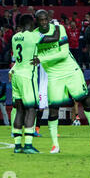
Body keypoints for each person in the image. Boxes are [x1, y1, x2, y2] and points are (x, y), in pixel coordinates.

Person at [31, 10, 90, 153]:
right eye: (40, 20)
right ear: (37, 21)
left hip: (71, 71)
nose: (43, 22)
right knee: (53, 108)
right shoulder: (34, 35)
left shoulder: (59, 28)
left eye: (45, 19)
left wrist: (42, 59)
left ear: (48, 18)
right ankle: (55, 145)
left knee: (86, 101)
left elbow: (64, 53)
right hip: (53, 76)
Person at [10, 14, 60, 154]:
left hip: (16, 75)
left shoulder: (15, 37)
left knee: (19, 109)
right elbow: (55, 38)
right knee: (31, 109)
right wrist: (56, 25)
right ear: (31, 25)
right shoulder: (33, 36)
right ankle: (28, 144)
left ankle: (17, 145)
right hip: (27, 76)